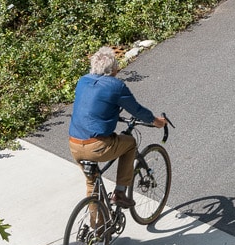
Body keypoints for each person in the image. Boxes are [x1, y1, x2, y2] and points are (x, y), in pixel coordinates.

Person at [68, 47, 167, 208]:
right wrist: (156, 121)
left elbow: (92, 105)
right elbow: (137, 110)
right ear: (113, 69)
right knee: (130, 143)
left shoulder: (83, 81)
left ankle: (98, 230)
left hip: (75, 145)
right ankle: (120, 193)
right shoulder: (116, 86)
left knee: (93, 185)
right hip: (97, 146)